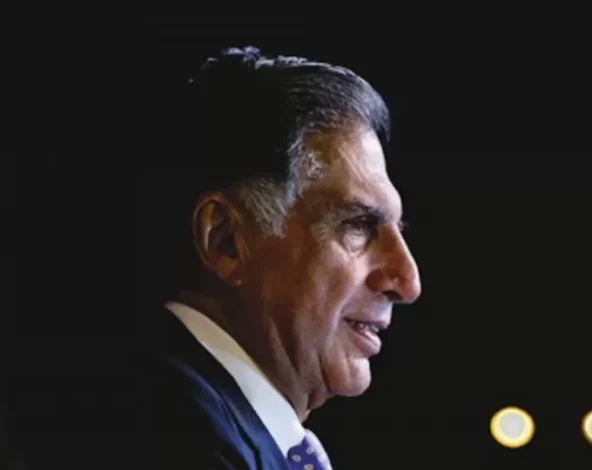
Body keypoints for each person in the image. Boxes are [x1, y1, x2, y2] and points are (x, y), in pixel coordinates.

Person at [115, 46, 421, 469]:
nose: (407, 280)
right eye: (358, 225)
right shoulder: (177, 440)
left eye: (397, 231)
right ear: (226, 242)